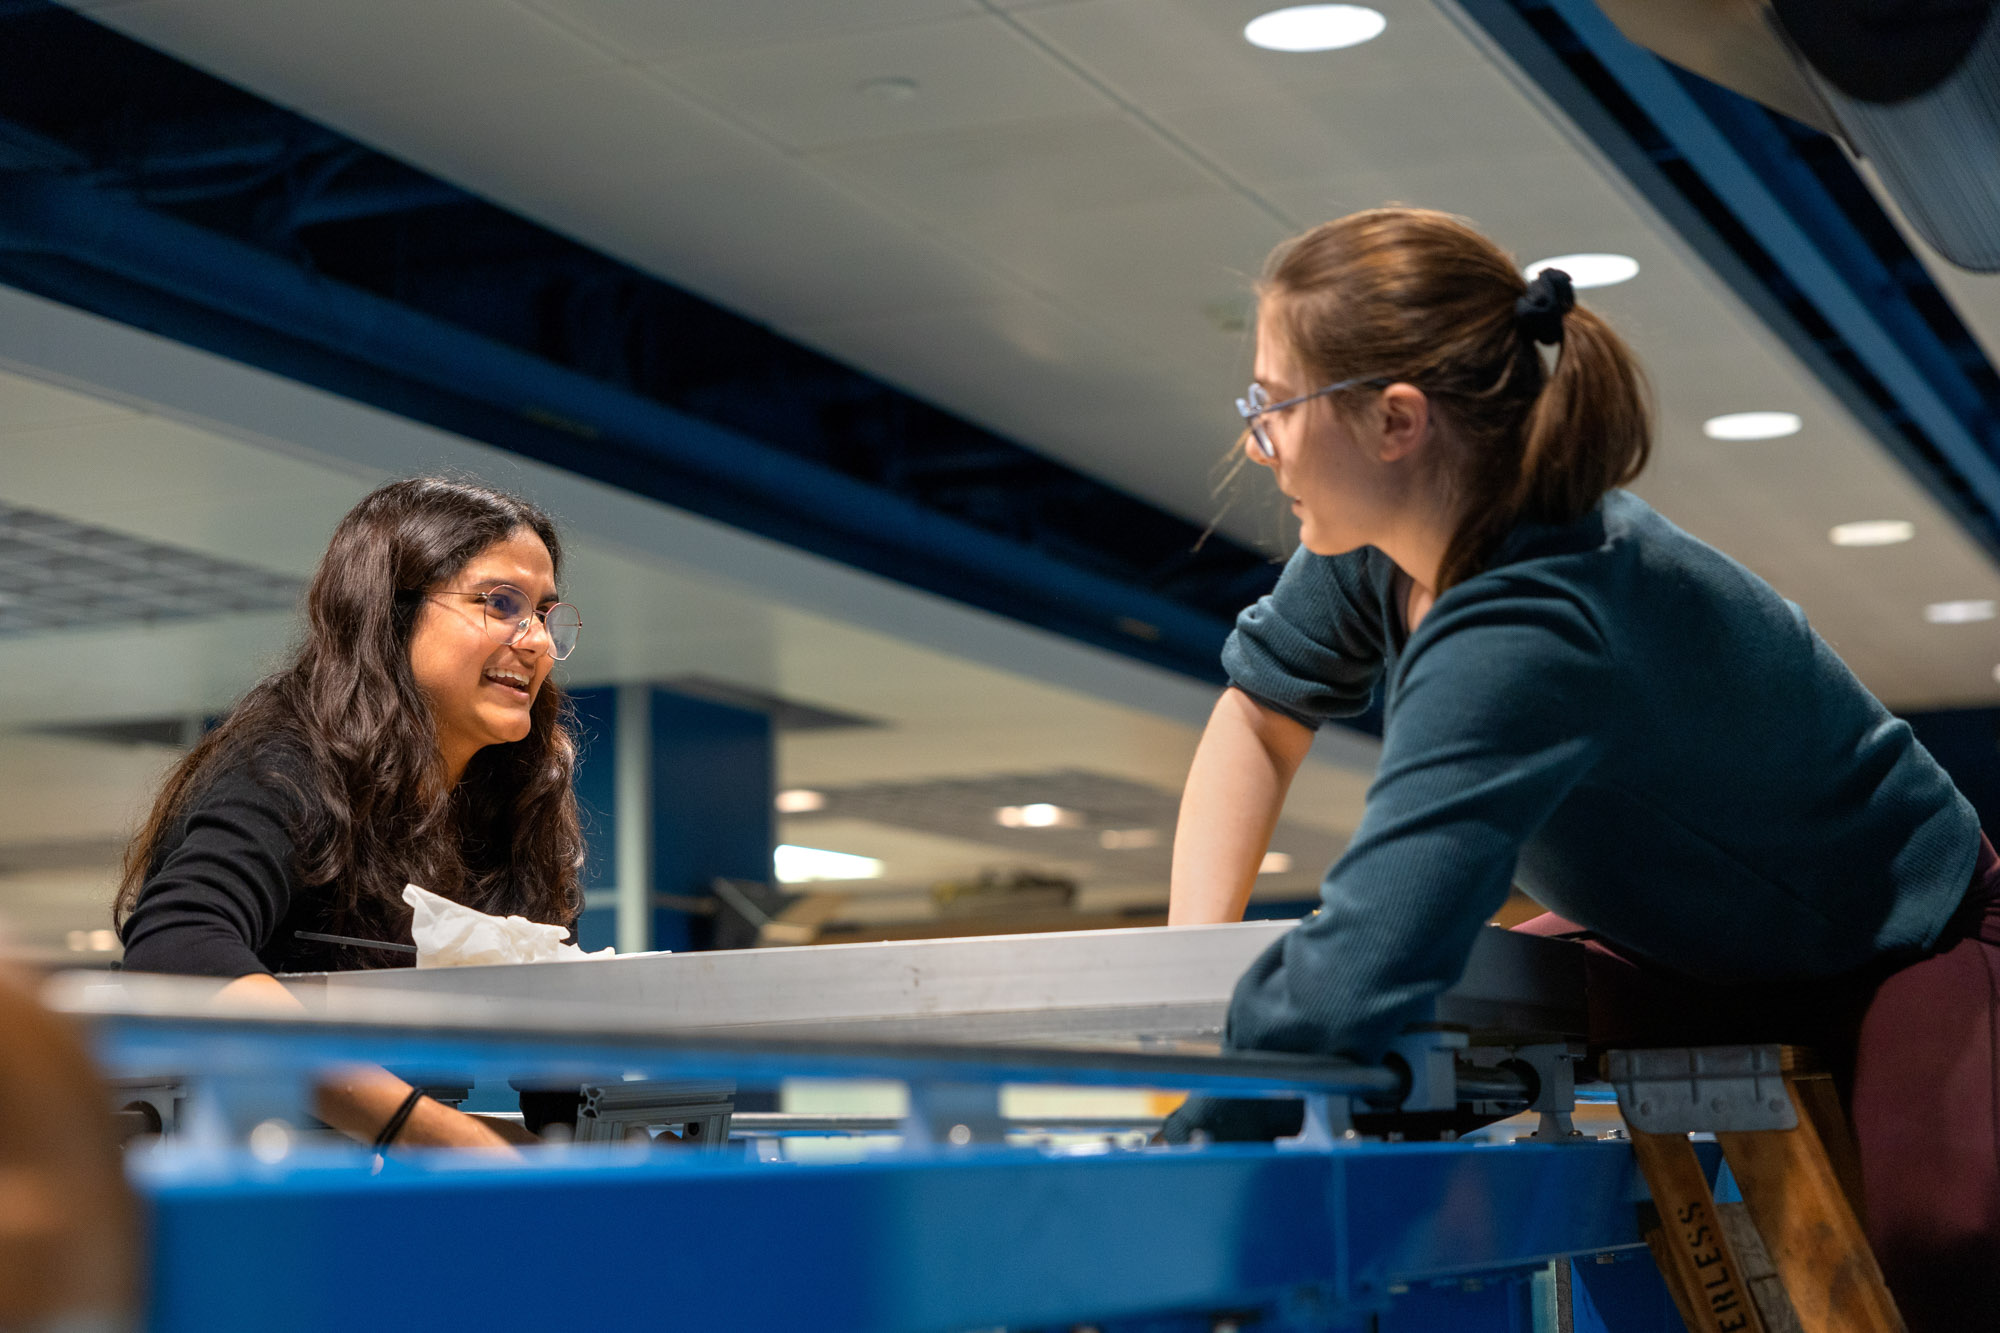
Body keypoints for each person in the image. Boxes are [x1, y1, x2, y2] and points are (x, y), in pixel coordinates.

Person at [1163, 207, 1997, 1325]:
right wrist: (1186, 992)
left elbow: (1375, 945)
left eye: (1271, 406)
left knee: (1939, 1246)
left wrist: (1188, 1139)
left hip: (1902, 934)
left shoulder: (1533, 617)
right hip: (1677, 944)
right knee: (1432, 1056)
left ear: (1393, 421)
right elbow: (1259, 716)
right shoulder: (1384, 547)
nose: (1253, 442)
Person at [116, 476, 586, 1151]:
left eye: (543, 612)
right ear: (392, 612)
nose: (537, 640)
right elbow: (176, 949)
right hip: (242, 1181)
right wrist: (423, 1130)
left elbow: (559, 1047)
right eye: (500, 603)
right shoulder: (289, 764)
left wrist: (587, 1155)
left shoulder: (516, 800)